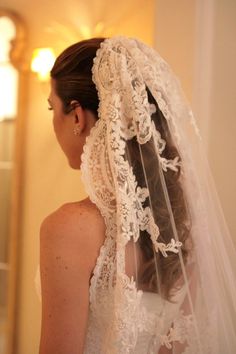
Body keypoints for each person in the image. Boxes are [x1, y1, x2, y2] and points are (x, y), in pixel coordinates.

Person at [37, 36, 236, 354]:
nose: (51, 121)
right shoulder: (183, 224)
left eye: (52, 107)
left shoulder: (68, 227)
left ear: (76, 116)